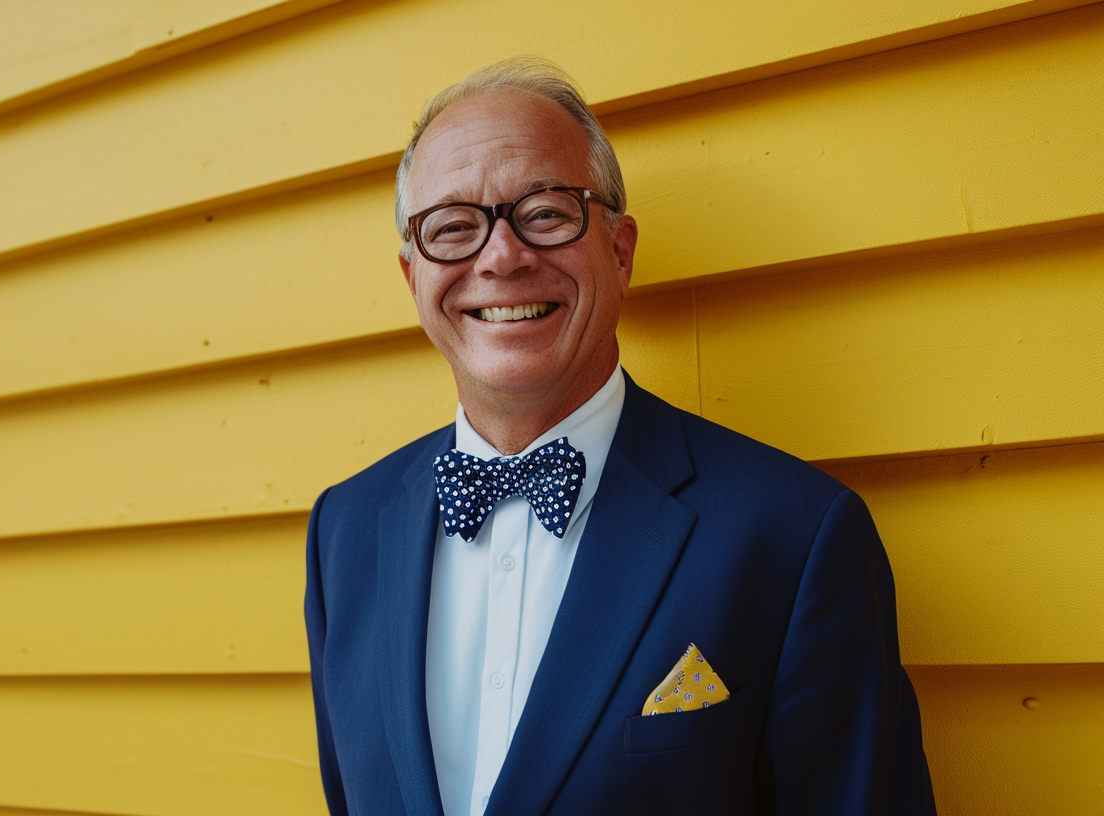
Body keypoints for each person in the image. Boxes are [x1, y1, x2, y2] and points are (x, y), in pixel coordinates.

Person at [303, 57, 934, 816]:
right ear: (414, 279)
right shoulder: (343, 534)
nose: (499, 257)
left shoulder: (795, 537)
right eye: (453, 229)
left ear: (621, 252)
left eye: (544, 212)